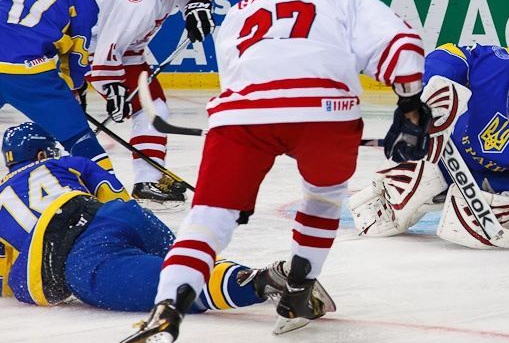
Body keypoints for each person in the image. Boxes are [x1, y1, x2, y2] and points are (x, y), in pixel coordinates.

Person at [107, 0, 427, 343]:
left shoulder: (242, 8)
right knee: (322, 200)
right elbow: (402, 52)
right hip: (325, 113)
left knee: (209, 218)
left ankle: (167, 308)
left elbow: (238, 77)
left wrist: (240, 182)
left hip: (240, 117)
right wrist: (409, 105)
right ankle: (297, 292)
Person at [0, 122, 317, 318]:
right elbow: (117, 197)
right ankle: (240, 274)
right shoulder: (70, 162)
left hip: (82, 257)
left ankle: (257, 283)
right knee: (181, 261)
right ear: (43, 154)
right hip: (121, 216)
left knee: (168, 288)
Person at [349, 42, 509, 252]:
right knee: (411, 187)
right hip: (459, 153)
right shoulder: (497, 64)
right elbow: (452, 55)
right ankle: (392, 190)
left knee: (479, 213)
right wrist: (434, 84)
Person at [89, 0, 215, 205]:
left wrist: (197, 7)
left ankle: (147, 180)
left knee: (155, 108)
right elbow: (105, 50)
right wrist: (113, 90)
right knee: (72, 121)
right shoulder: (136, 0)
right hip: (87, 50)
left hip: (129, 51)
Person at [0, 0, 113, 172]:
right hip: (28, 75)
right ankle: (116, 202)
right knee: (81, 140)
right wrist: (75, 88)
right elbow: (77, 56)